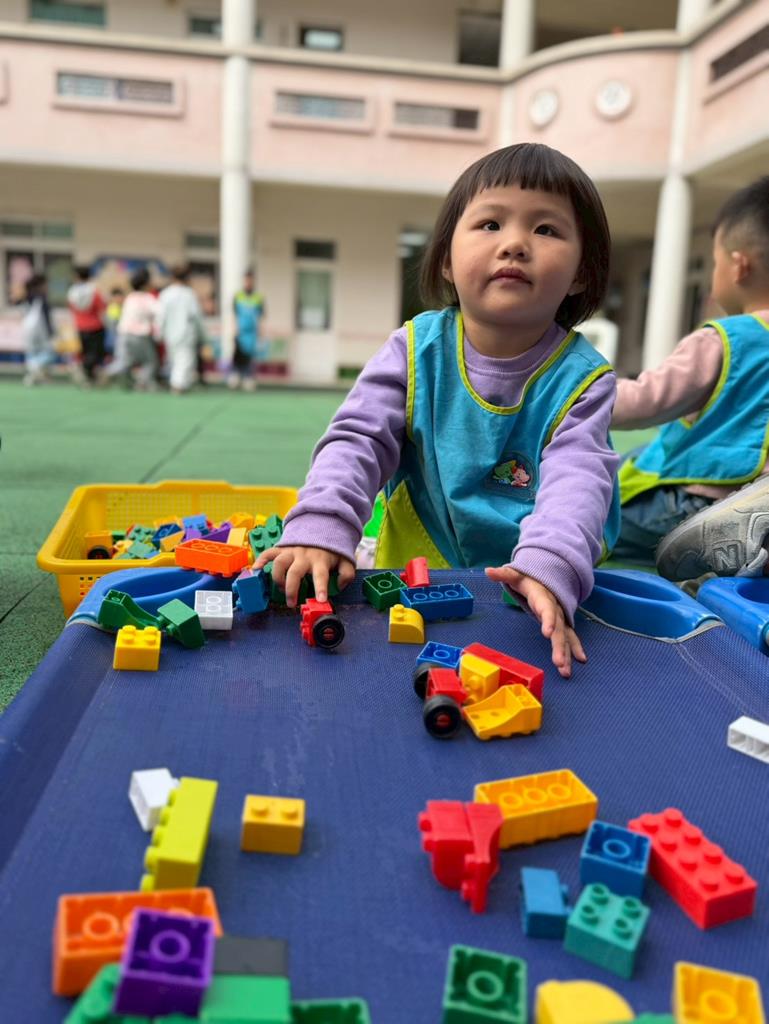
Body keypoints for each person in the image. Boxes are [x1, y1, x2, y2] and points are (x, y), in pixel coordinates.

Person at [255, 143, 621, 677]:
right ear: (447, 259)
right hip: (413, 577)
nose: (515, 244)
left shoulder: (583, 379)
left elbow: (579, 479)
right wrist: (322, 524)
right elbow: (358, 439)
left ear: (582, 273)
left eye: (546, 229)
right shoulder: (414, 349)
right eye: (490, 224)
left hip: (524, 591)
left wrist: (552, 567)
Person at [612, 176, 769, 582]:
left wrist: (575, 392)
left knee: (598, 510)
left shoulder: (725, 339)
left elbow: (644, 401)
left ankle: (708, 544)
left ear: (738, 266)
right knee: (638, 455)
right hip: (754, 498)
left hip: (694, 501)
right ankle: (749, 546)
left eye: (715, 263)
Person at [101, 266, 160, 390]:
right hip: (141, 335)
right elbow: (159, 314)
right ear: (146, 284)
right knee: (150, 362)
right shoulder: (148, 298)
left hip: (124, 333)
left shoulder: (129, 298)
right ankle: (142, 382)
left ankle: (108, 372)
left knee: (124, 361)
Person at [157, 263, 207, 394]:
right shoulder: (189, 294)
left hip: (170, 334)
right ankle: (178, 385)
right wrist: (203, 336)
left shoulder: (165, 294)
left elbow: (160, 316)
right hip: (186, 334)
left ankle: (179, 383)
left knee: (176, 360)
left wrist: (159, 333)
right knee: (184, 360)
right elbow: (197, 317)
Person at [67, 265, 106, 384]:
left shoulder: (72, 292)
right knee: (94, 354)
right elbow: (102, 308)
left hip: (80, 327)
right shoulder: (94, 291)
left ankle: (87, 374)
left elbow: (71, 309)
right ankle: (87, 372)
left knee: (84, 352)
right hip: (95, 326)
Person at [228, 268, 266, 392]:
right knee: (237, 355)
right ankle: (235, 378)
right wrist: (234, 329)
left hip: (252, 333)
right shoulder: (238, 296)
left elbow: (261, 316)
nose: (248, 282)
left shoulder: (258, 297)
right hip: (241, 332)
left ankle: (249, 379)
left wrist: (261, 332)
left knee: (250, 356)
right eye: (246, 280)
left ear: (253, 281)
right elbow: (234, 315)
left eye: (250, 280)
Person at [21, 273, 56, 386]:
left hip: (27, 329)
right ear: (41, 284)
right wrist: (51, 330)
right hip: (41, 330)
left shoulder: (27, 296)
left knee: (32, 353)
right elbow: (46, 316)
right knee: (48, 353)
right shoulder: (41, 298)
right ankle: (36, 370)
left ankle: (35, 373)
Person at [104, 287, 125, 354]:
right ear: (113, 298)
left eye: (120, 297)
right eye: (117, 297)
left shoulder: (121, 307)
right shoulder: (113, 308)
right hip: (116, 338)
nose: (119, 299)